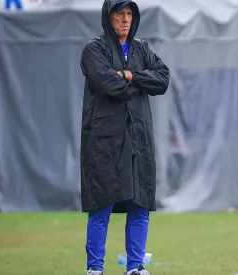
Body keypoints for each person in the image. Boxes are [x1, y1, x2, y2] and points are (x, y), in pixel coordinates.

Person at [79, 0, 170, 274]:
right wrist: (140, 82)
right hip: (103, 141)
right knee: (101, 206)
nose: (125, 19)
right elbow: (107, 84)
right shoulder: (94, 49)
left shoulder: (142, 49)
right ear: (109, 16)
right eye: (120, 14)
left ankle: (135, 267)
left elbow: (163, 80)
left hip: (138, 140)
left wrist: (130, 75)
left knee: (139, 204)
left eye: (130, 14)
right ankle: (95, 268)